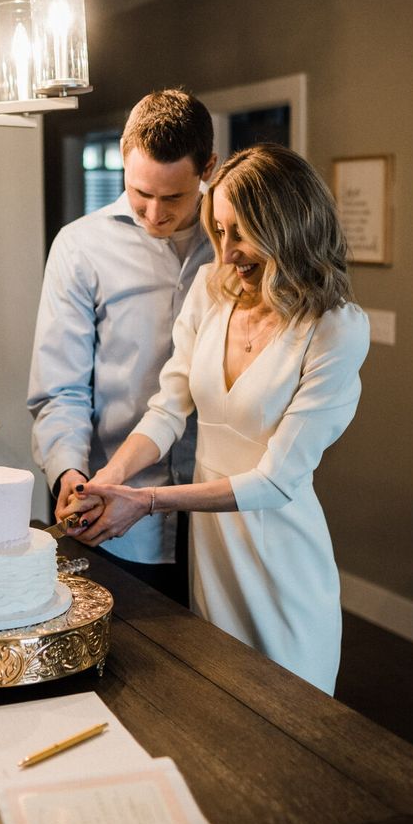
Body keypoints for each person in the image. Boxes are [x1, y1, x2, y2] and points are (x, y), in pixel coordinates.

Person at [61, 144, 370, 694]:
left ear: (288, 227)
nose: (227, 252)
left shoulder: (336, 328)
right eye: (219, 230)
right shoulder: (211, 292)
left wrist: (148, 501)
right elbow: (167, 409)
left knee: (293, 722)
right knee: (220, 709)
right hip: (213, 555)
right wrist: (110, 479)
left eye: (242, 232)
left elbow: (276, 480)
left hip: (282, 559)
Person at [27, 88, 217, 603]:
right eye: (140, 193)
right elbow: (60, 386)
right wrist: (68, 472)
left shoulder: (234, 244)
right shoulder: (80, 246)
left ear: (208, 169)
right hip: (112, 512)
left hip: (217, 518)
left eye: (173, 197)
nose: (154, 212)